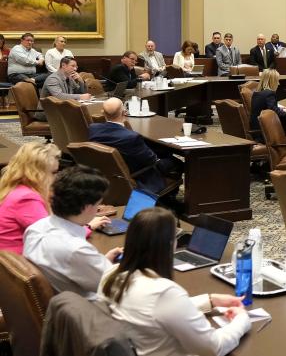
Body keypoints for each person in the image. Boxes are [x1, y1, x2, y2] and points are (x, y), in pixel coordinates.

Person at [98, 207, 250, 356]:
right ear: (170, 244)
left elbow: (155, 310)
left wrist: (210, 300)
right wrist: (242, 320)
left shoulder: (111, 273)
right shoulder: (163, 292)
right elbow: (214, 348)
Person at [23, 165, 121, 300]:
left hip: (60, 305)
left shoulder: (35, 229)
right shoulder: (76, 250)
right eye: (98, 204)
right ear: (87, 207)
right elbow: (115, 287)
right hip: (89, 311)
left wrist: (100, 262)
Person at [88, 98, 183, 195]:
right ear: (124, 112)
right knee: (177, 162)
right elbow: (152, 160)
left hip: (111, 173)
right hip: (138, 175)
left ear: (103, 112)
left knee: (162, 152)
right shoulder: (131, 137)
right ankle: (170, 199)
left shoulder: (93, 129)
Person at [0, 142, 61, 253]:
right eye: (54, 172)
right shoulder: (26, 198)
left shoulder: (14, 189)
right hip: (20, 264)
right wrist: (86, 227)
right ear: (38, 173)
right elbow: (54, 238)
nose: (56, 177)